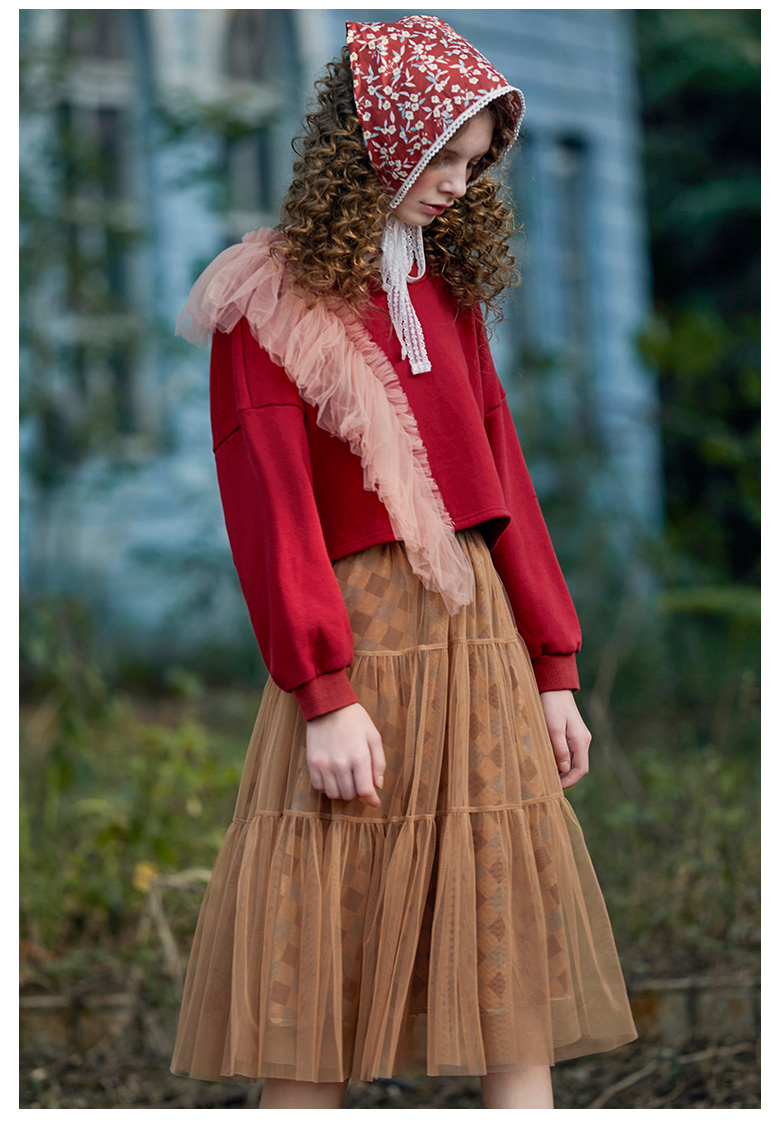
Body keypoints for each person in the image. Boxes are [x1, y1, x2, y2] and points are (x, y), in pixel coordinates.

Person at [170, 14, 637, 1110]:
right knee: (317, 961)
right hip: (362, 642)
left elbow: (503, 480)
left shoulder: (446, 292)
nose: (459, 187)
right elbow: (272, 508)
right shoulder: (266, 299)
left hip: (480, 637)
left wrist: (554, 666)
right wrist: (324, 694)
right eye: (442, 159)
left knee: (507, 947)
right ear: (377, 142)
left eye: (476, 165)